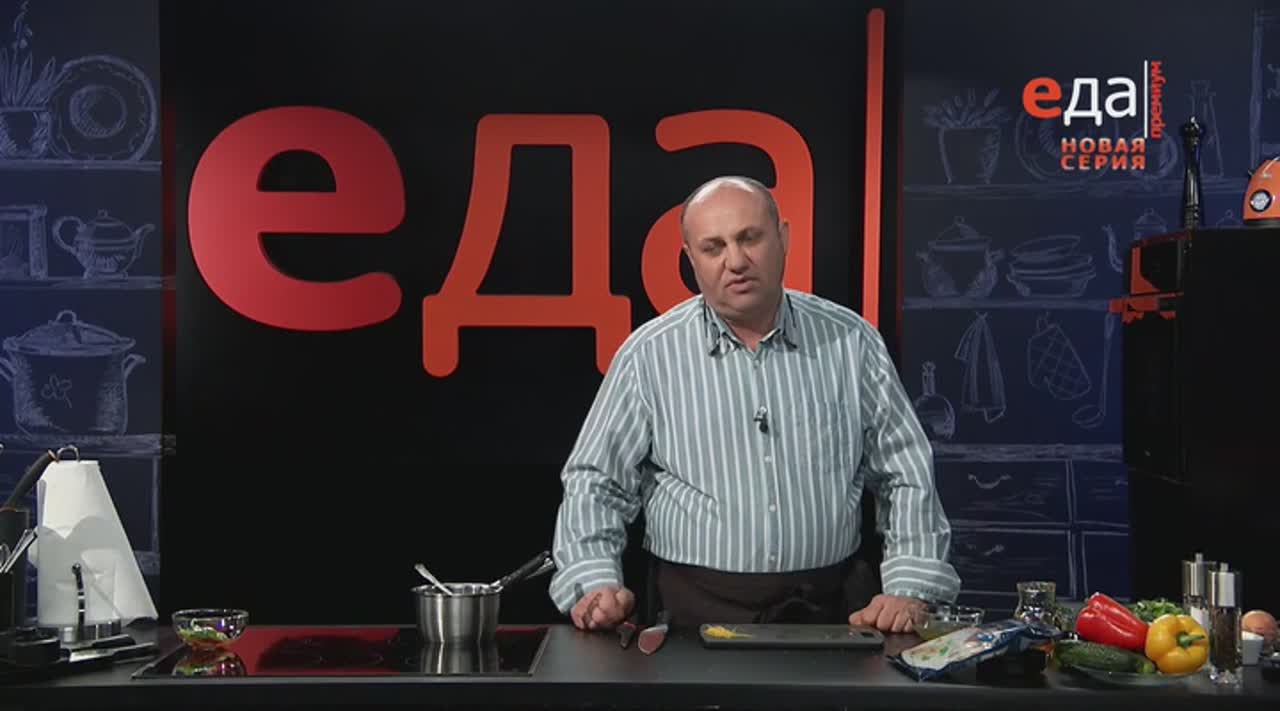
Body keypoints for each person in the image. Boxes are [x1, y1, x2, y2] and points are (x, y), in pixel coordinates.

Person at [548, 175, 960, 633]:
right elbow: (597, 480)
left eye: (750, 238)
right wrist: (593, 580)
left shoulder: (851, 341)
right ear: (691, 259)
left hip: (832, 607)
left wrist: (909, 586)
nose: (736, 261)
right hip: (690, 613)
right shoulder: (649, 354)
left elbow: (904, 470)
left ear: (783, 238)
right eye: (714, 247)